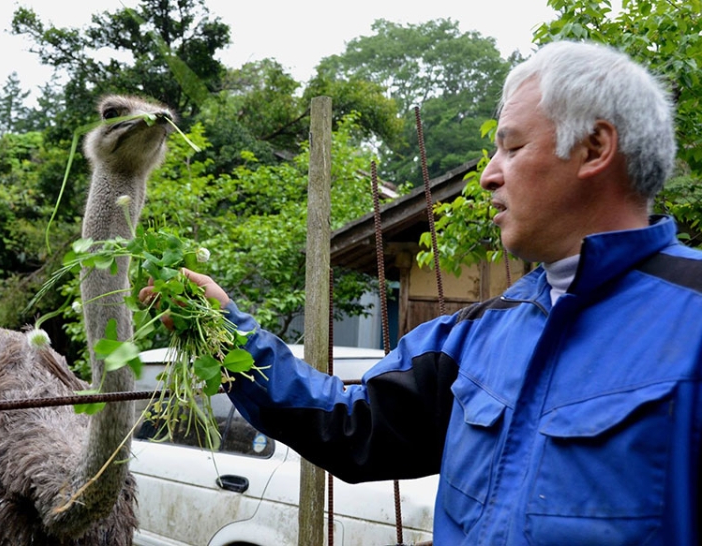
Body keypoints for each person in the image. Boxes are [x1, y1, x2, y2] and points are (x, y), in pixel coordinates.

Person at [149, 41, 702, 545]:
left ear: (594, 147)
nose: (488, 175)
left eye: (510, 147)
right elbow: (348, 422)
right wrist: (224, 330)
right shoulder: (476, 338)